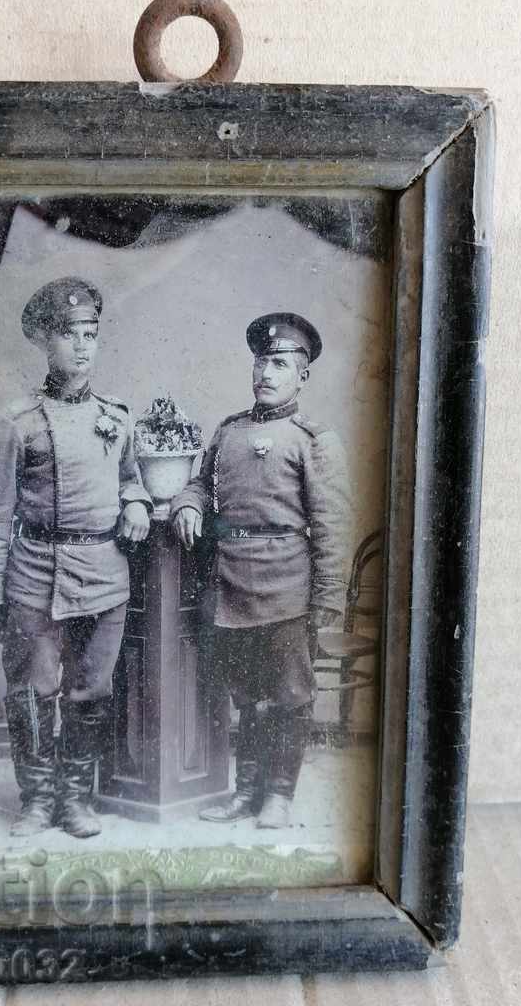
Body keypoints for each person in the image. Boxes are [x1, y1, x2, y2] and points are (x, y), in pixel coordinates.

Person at [0, 276, 152, 839]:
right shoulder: (17, 423)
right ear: (45, 344)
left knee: (91, 692)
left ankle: (75, 799)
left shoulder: (117, 416)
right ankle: (36, 800)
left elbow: (131, 479)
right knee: (32, 694)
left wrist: (138, 503)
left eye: (91, 334)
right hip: (35, 577)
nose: (82, 346)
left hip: (104, 577)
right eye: (69, 335)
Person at [170, 313, 351, 829]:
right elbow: (202, 483)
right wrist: (188, 503)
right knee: (245, 697)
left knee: (290, 696)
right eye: (260, 361)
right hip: (231, 585)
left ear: (303, 375)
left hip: (286, 590)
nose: (265, 373)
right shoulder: (229, 431)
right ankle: (244, 793)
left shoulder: (313, 440)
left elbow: (332, 528)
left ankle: (278, 796)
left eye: (279, 363)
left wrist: (326, 600)